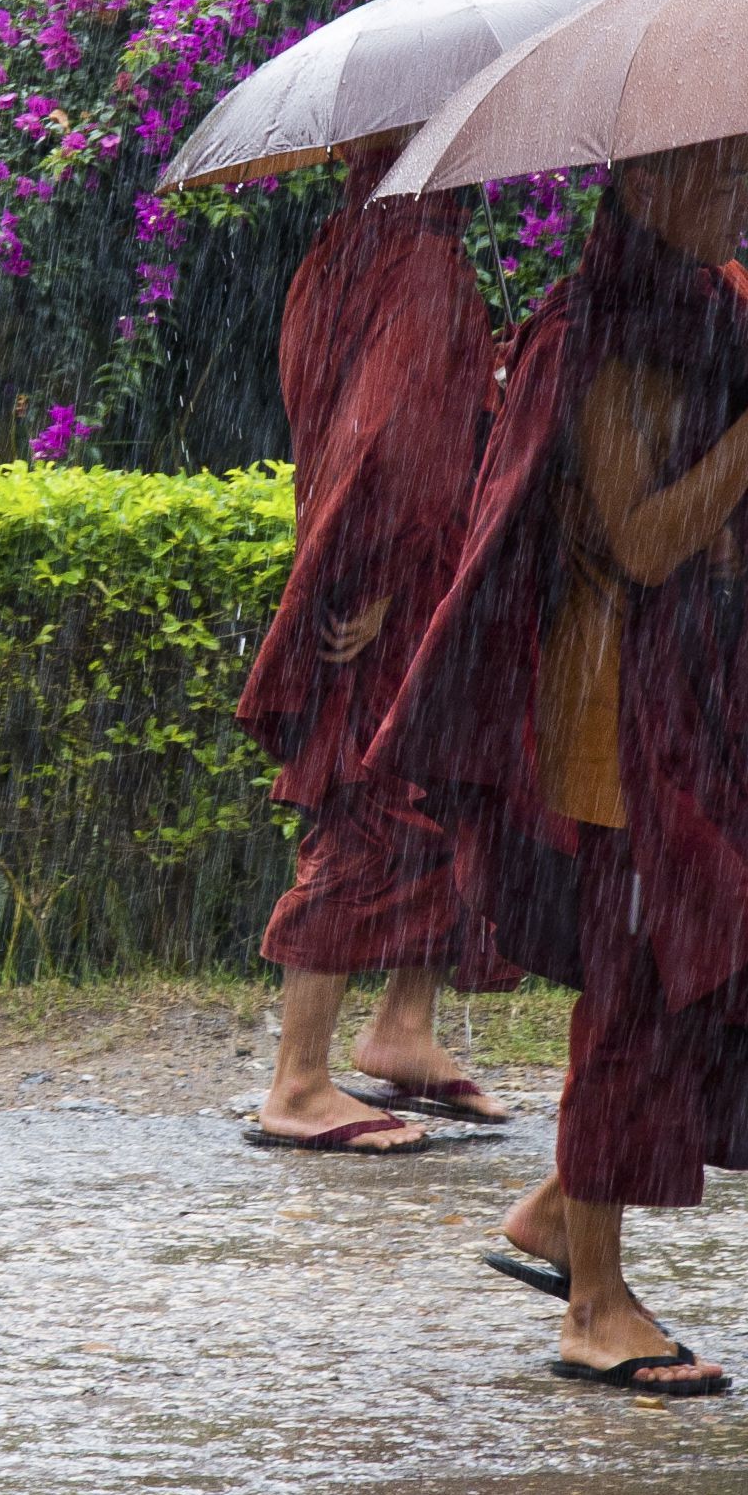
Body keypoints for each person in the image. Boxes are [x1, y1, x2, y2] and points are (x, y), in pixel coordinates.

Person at [372, 136, 748, 1394]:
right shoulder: (601, 336)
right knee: (638, 996)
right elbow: (642, 542)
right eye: (719, 178)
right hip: (623, 720)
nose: (744, 202)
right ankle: (593, 1304)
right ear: (641, 187)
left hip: (708, 704)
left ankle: (550, 1213)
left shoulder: (716, 302)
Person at [236, 130, 514, 1151]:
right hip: (395, 581)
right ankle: (298, 1081)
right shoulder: (426, 263)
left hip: (360, 561)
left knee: (438, 795)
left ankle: (403, 1027)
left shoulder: (341, 249)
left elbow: (353, 413)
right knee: (369, 811)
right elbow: (391, 436)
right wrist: (392, 574)